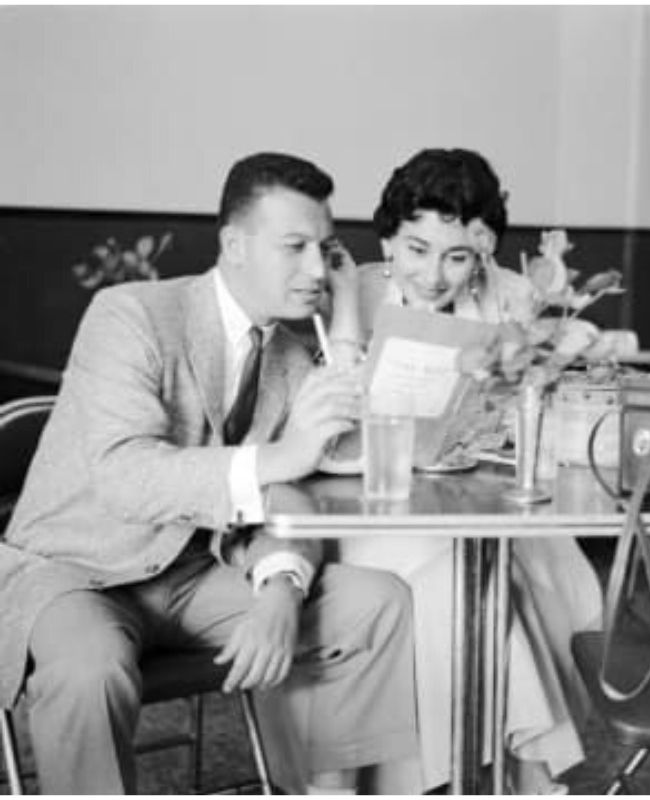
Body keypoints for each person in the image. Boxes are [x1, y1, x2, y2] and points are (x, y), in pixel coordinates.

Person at [0, 152, 418, 794]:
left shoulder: (292, 354)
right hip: (75, 570)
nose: (316, 269)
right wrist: (282, 455)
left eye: (326, 248)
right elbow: (125, 476)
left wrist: (282, 587)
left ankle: (327, 789)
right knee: (90, 669)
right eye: (295, 247)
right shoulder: (129, 314)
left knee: (377, 604)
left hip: (197, 573)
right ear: (235, 245)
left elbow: (303, 486)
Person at [330, 148, 604, 794]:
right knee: (466, 581)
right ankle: (525, 777)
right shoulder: (354, 292)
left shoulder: (515, 297)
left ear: (482, 253)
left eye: (456, 257)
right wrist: (343, 309)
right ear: (388, 240)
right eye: (416, 249)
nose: (433, 275)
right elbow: (330, 419)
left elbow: (540, 421)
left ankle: (466, 778)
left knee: (503, 573)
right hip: (373, 509)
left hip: (482, 503)